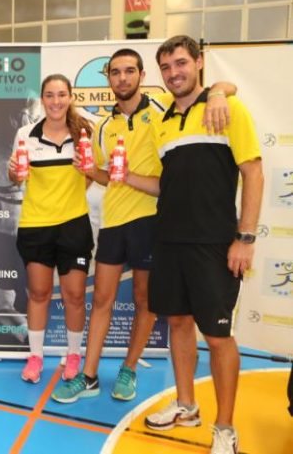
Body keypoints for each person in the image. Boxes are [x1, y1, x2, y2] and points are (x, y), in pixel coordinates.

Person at [51, 49, 237, 404]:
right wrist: (90, 172)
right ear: (109, 78)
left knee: (144, 299)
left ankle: (129, 368)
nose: (122, 78)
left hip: (153, 220)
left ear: (140, 74)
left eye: (129, 71)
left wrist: (216, 92)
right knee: (102, 299)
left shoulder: (164, 108)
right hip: (114, 221)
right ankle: (88, 375)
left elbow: (226, 87)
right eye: (116, 73)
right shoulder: (105, 126)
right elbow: (109, 176)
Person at [143, 35, 263, 454]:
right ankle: (186, 405)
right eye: (166, 67)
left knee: (217, 338)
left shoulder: (228, 109)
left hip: (214, 245)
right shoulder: (161, 123)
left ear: (198, 63)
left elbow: (253, 172)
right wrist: (114, 177)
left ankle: (225, 428)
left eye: (180, 63)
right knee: (177, 323)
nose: (173, 73)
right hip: (170, 241)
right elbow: (166, 185)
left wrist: (244, 238)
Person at [8, 74, 94, 384]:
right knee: (40, 293)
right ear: (42, 100)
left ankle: (73, 356)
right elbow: (15, 174)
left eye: (61, 95)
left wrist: (69, 199)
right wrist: (13, 173)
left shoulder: (85, 133)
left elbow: (91, 173)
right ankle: (35, 357)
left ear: (70, 97)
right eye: (50, 95)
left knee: (74, 296)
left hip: (74, 226)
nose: (56, 101)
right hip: (36, 225)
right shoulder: (25, 134)